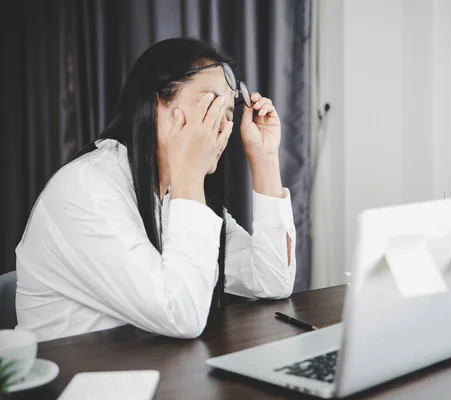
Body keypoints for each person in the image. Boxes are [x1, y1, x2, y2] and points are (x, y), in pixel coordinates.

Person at [15, 38, 296, 342]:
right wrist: (189, 169)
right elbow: (182, 316)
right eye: (210, 106)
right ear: (156, 102)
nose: (222, 127)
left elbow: (272, 280)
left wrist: (265, 157)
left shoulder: (176, 193)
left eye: (229, 114)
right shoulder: (85, 189)